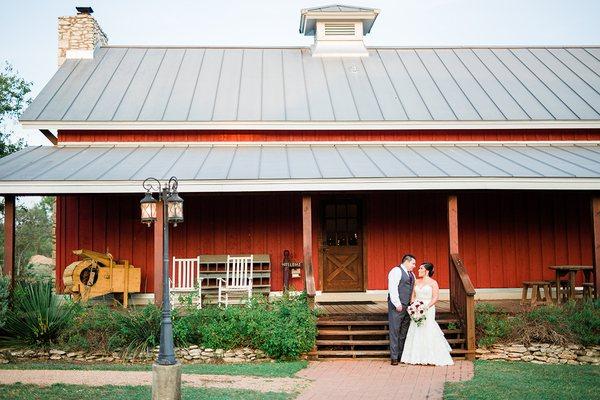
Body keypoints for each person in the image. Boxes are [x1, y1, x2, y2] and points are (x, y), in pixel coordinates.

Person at [400, 262, 454, 366]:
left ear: (427, 271)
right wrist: (413, 306)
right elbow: (413, 296)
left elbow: (435, 298)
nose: (418, 270)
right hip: (416, 308)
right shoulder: (416, 281)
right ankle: (415, 356)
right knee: (416, 329)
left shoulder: (433, 283)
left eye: (421, 268)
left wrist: (426, 307)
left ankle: (430, 356)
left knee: (428, 328)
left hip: (428, 308)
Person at [387, 254, 416, 365]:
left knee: (404, 331)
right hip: (398, 306)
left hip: (408, 307)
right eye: (413, 263)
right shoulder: (396, 271)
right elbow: (393, 288)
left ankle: (400, 355)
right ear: (407, 262)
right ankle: (394, 357)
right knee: (395, 330)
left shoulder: (411, 274)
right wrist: (397, 303)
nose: (414, 266)